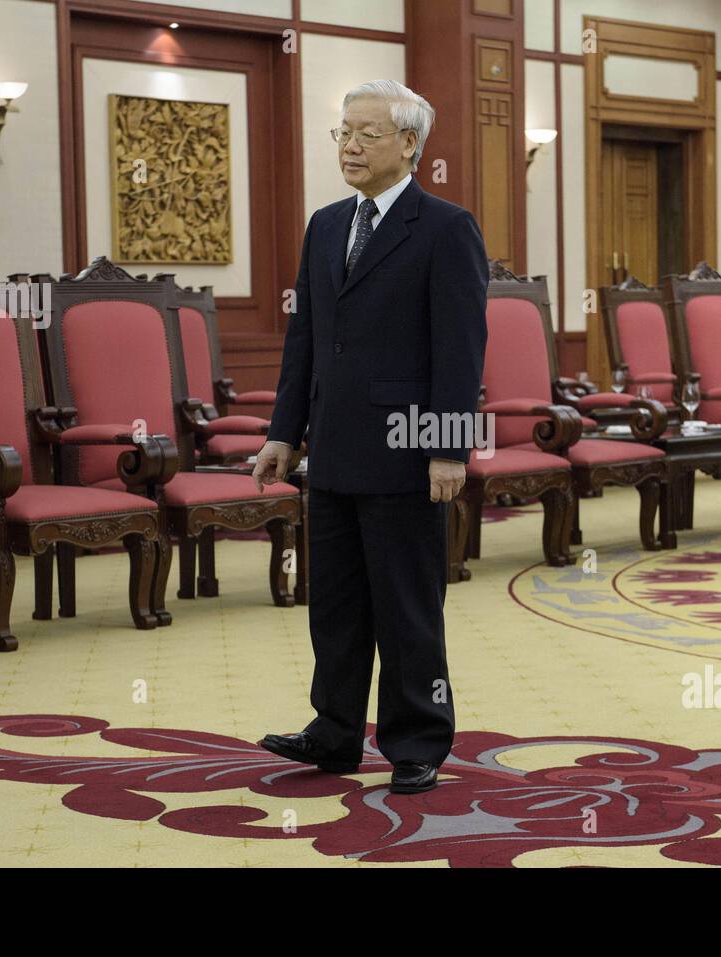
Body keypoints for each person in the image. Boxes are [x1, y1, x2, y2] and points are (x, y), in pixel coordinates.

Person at [252, 79, 488, 795]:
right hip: (334, 448)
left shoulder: (446, 227)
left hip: (410, 450)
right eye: (343, 132)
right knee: (336, 602)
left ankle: (416, 741)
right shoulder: (326, 224)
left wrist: (450, 444)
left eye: (367, 134)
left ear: (410, 144)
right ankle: (334, 731)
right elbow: (306, 339)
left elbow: (460, 346)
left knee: (407, 605)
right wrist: (284, 433)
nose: (350, 146)